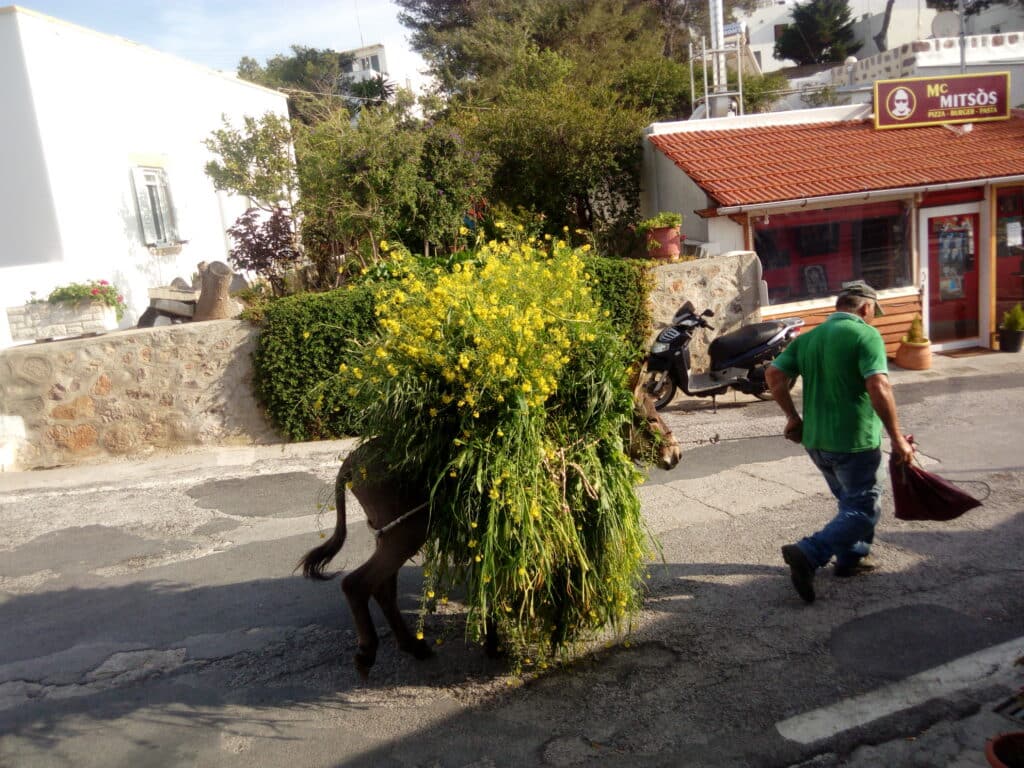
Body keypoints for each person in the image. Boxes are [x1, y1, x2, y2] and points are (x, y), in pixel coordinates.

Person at [765, 281, 915, 604]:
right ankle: (809, 552)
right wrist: (898, 438)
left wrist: (792, 417)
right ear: (865, 308)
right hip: (853, 443)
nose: (873, 318)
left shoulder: (809, 338)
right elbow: (879, 386)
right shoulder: (866, 335)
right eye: (873, 313)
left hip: (816, 441)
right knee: (863, 510)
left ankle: (851, 559)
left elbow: (774, 375)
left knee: (848, 502)